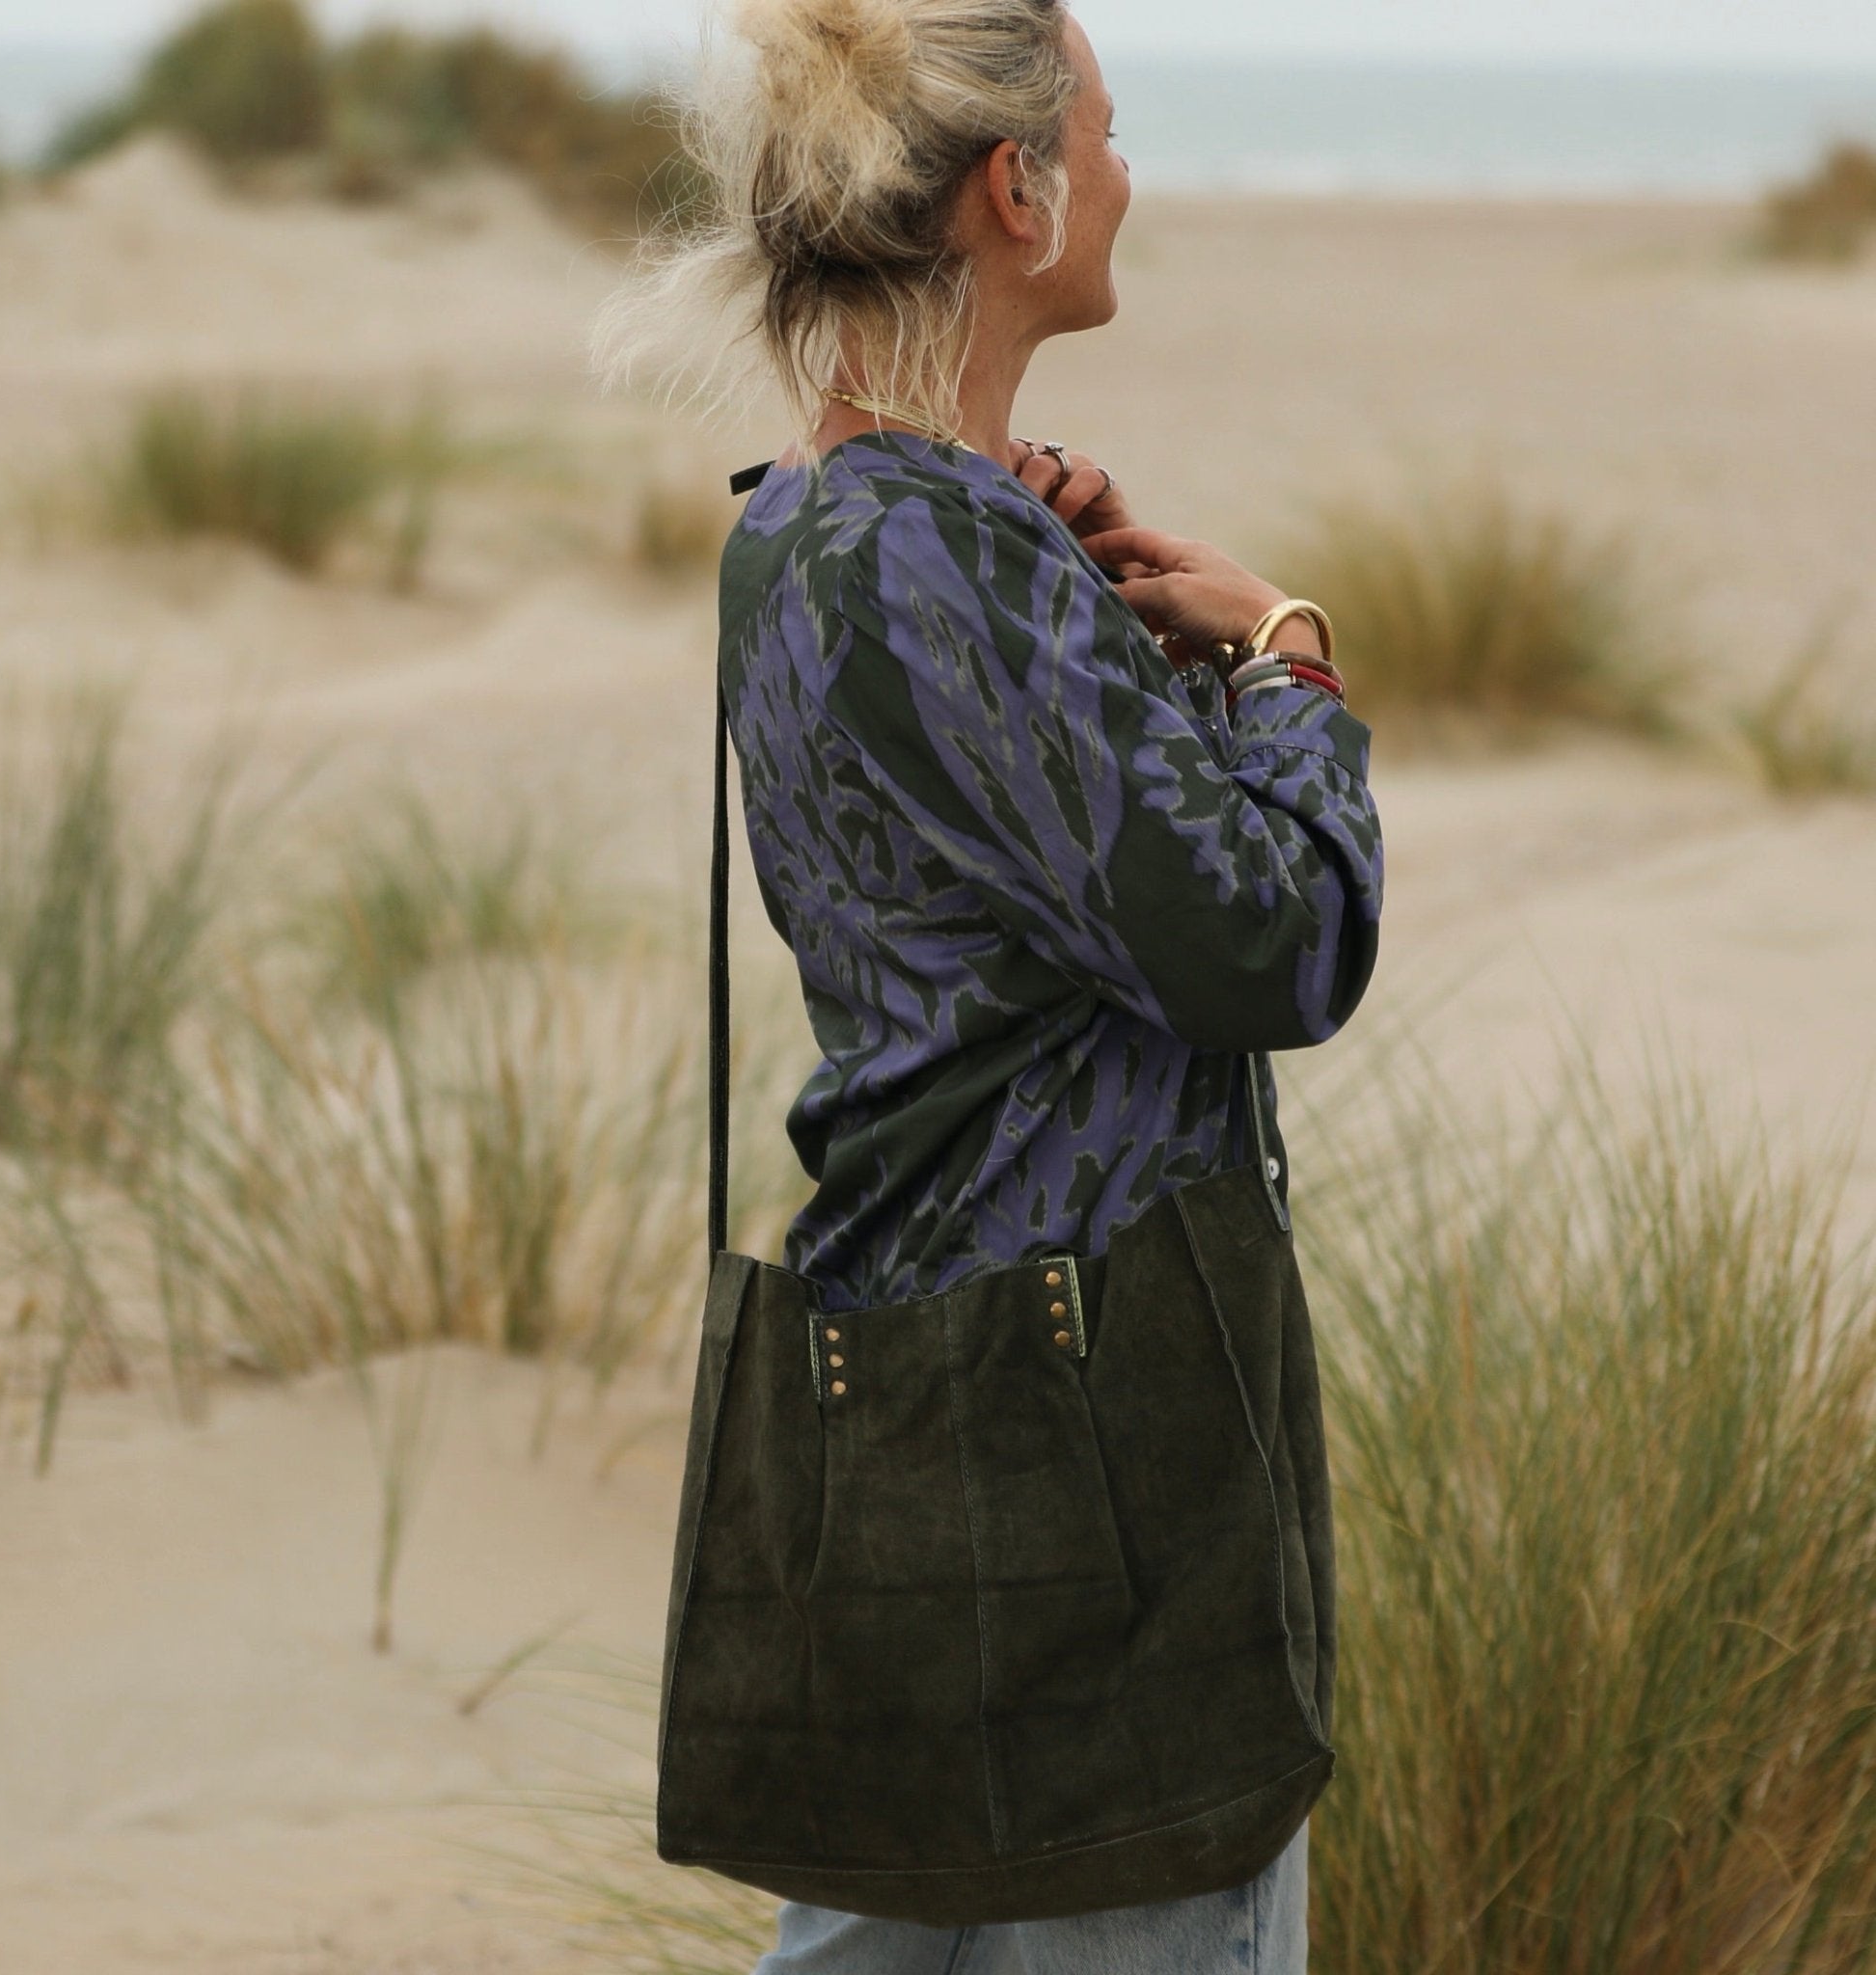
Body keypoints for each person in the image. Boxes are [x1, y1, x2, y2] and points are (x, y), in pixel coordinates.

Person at [592, 0, 1384, 1966]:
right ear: (1014, 189)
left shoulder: (803, 525)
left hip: (903, 1393)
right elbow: (1276, 939)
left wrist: (1083, 630)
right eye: (1102, 134)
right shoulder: (937, 559)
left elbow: (989, 906)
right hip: (1094, 1447)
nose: (1123, 174)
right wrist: (1284, 660)